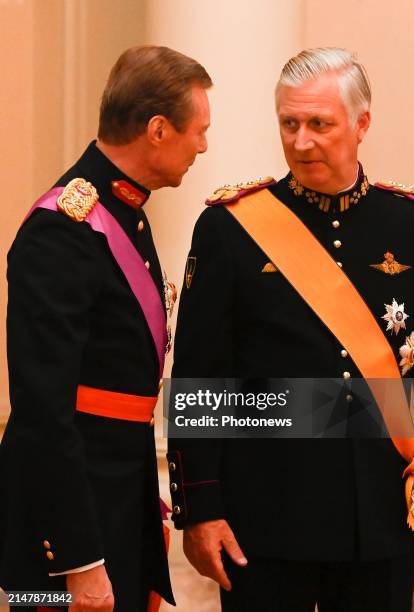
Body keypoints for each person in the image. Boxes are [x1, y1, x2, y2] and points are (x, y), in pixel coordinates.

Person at [167, 48, 414, 611]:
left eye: (320, 124)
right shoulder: (230, 228)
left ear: (362, 125)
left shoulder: (406, 221)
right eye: (289, 123)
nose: (301, 142)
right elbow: (202, 378)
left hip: (381, 521)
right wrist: (203, 509)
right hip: (267, 524)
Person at [0, 44, 211, 612]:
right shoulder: (61, 232)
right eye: (198, 130)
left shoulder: (125, 214)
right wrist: (79, 559)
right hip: (67, 536)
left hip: (116, 499)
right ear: (158, 129)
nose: (204, 145)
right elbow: (43, 412)